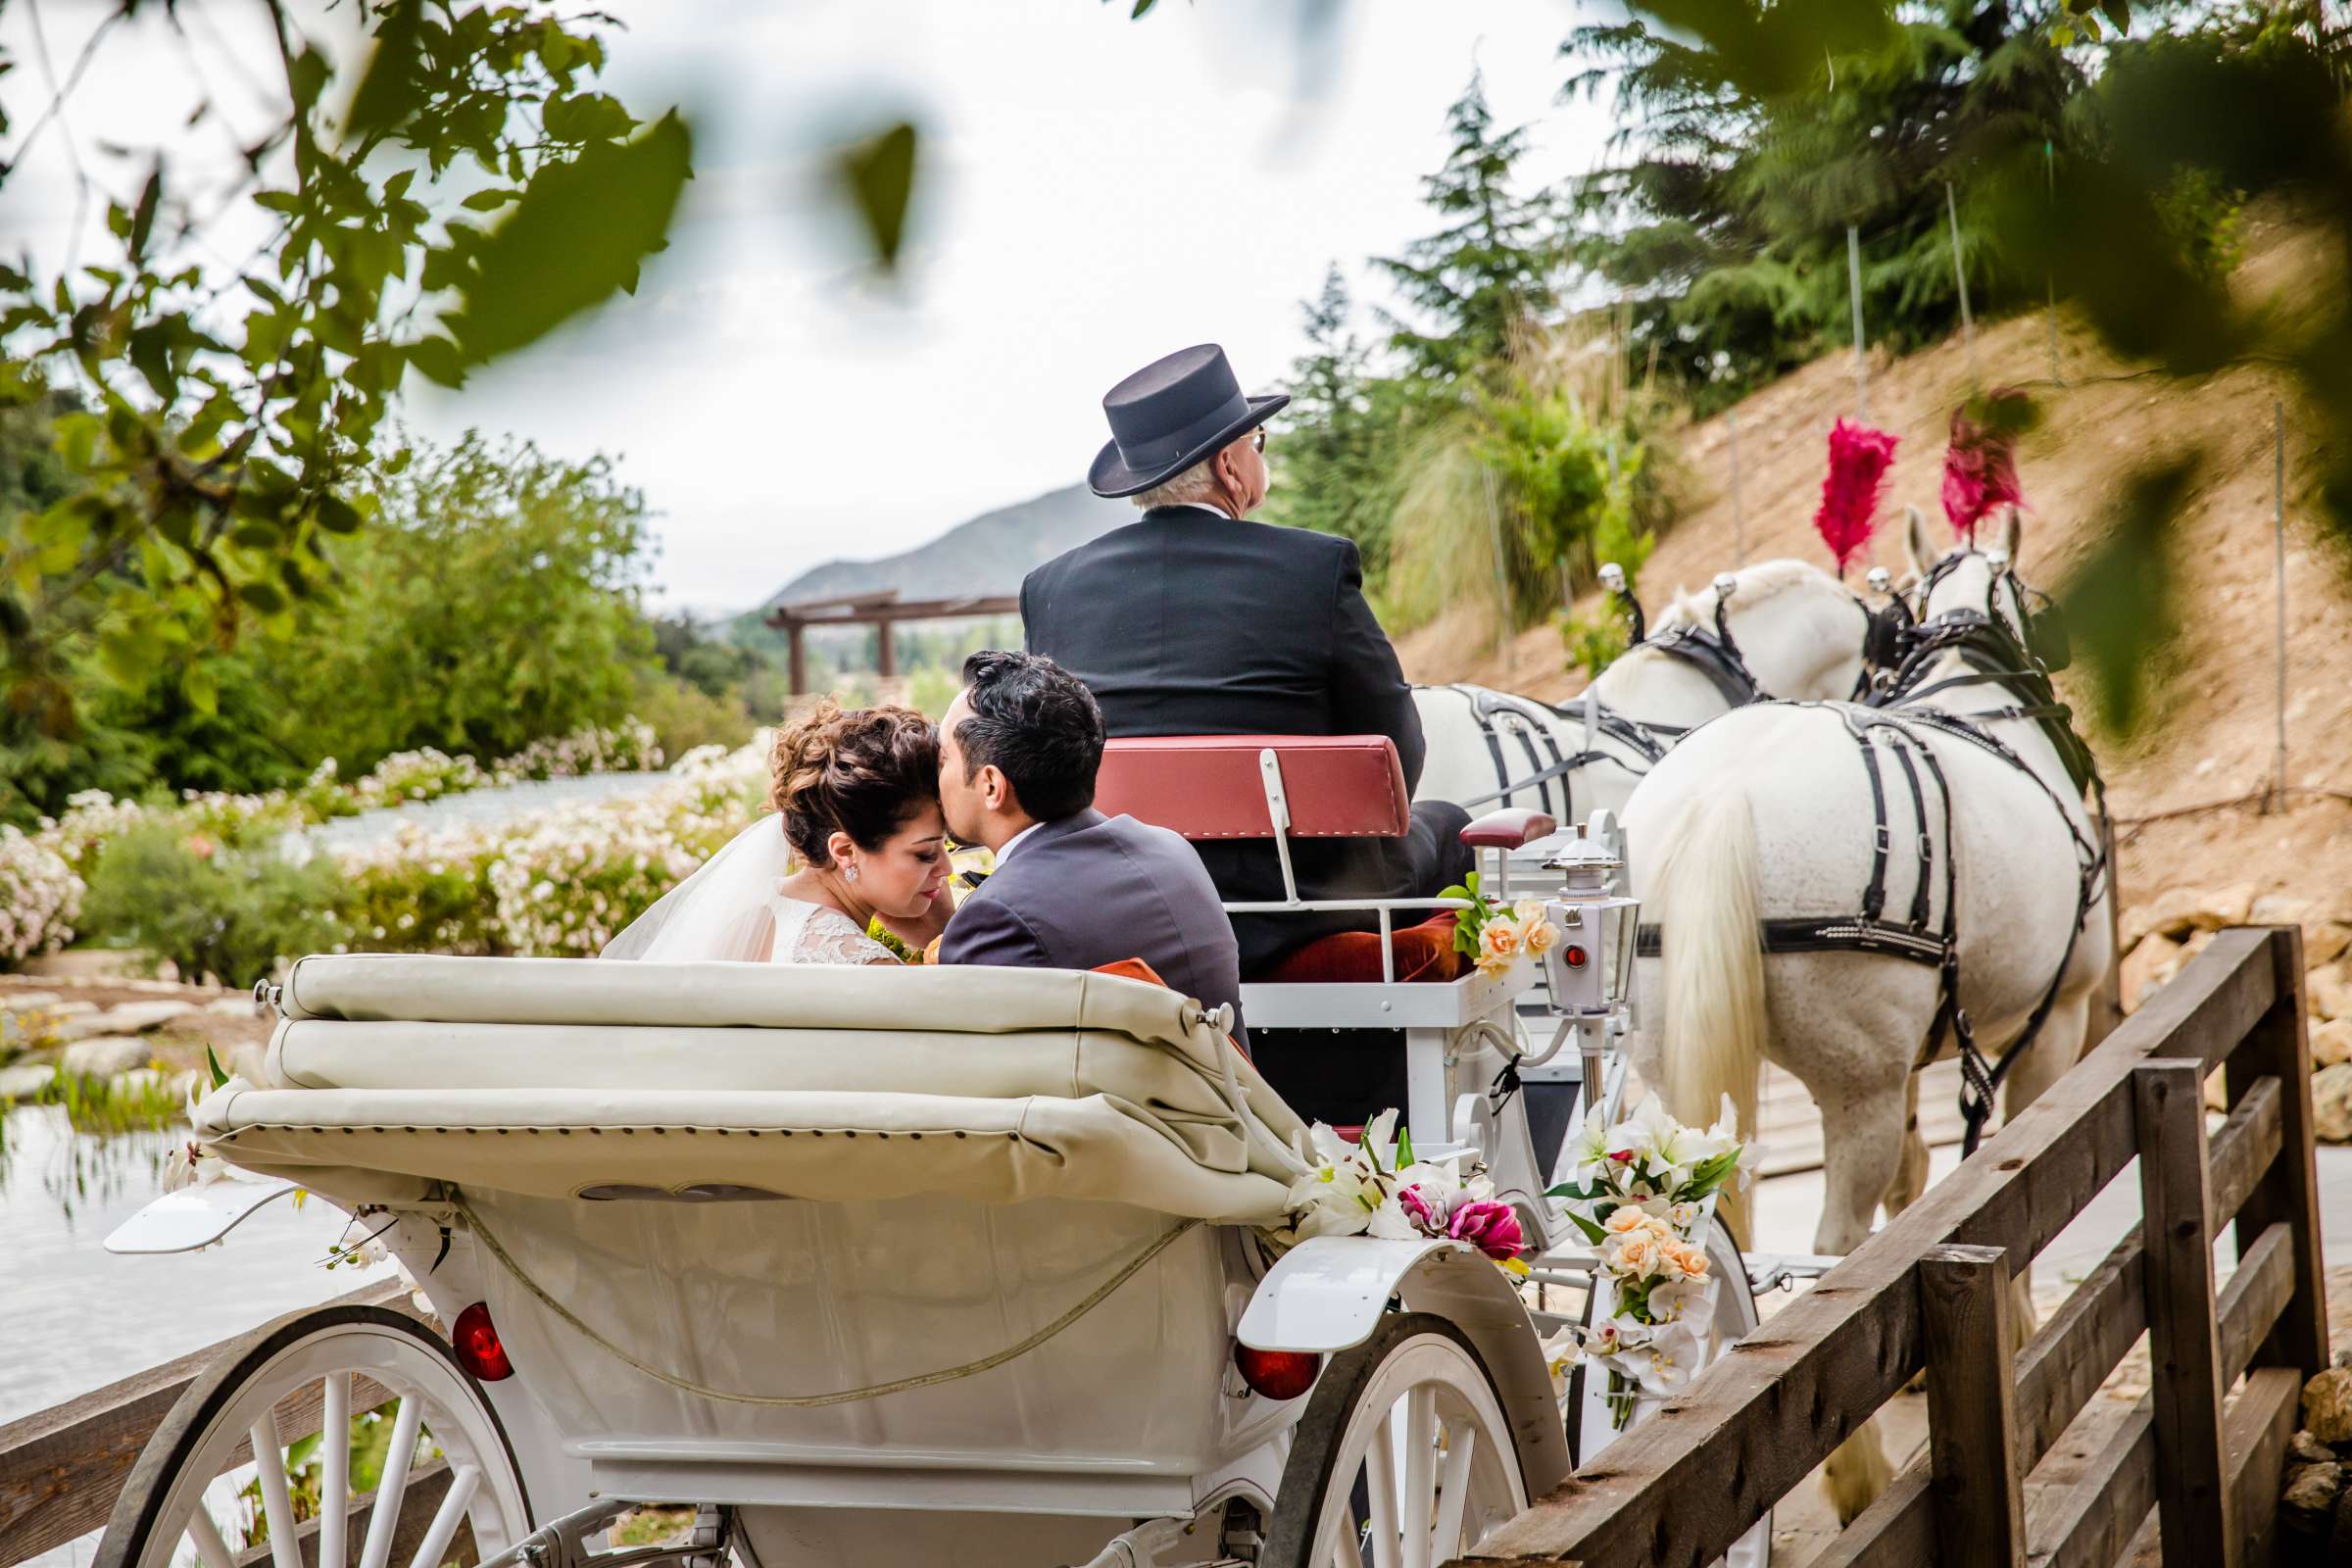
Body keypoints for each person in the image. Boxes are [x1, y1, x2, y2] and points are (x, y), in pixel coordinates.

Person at [1022, 341, 1473, 975]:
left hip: (1118, 900)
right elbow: (1400, 752)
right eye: (1258, 441)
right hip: (1298, 908)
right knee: (1451, 828)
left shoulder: (1051, 587)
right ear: (1232, 466)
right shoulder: (1313, 567)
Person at [934, 648, 1246, 1042]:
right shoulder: (1170, 850)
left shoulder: (997, 918)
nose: (936, 772)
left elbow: (975, 1073)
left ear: (991, 786)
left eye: (944, 757)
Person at [601, 701, 954, 965]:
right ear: (845, 851)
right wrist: (948, 940)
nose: (947, 869)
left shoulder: (748, 914)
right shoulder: (864, 966)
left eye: (946, 846)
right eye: (924, 853)